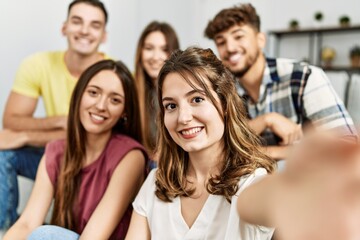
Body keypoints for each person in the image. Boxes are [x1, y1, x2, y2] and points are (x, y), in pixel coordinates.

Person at [125, 46, 276, 239]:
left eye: (196, 99)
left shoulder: (254, 186)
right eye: (171, 106)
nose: (183, 117)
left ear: (225, 105)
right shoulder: (156, 183)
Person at [4, 59, 149, 240]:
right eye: (93, 93)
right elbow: (27, 223)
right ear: (79, 95)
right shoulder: (56, 151)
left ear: (124, 112)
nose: (101, 105)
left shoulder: (131, 156)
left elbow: (93, 237)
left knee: (46, 234)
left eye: (115, 100)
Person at [0, 0, 110, 230]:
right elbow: (11, 121)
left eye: (94, 25)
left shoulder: (111, 73)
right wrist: (60, 121)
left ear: (103, 36)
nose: (84, 30)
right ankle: (6, 228)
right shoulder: (37, 64)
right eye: (77, 21)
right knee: (4, 155)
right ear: (64, 27)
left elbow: (92, 134)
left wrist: (27, 136)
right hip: (53, 155)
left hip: (90, 162)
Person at [204, 3, 357, 160]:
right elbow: (217, 148)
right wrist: (266, 120)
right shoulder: (224, 91)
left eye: (238, 36)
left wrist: (269, 152)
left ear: (260, 40)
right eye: (221, 42)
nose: (230, 48)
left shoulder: (305, 76)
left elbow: (347, 145)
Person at [134, 20, 180, 161]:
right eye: (149, 48)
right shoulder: (131, 89)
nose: (155, 57)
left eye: (164, 49)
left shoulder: (185, 89)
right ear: (140, 52)